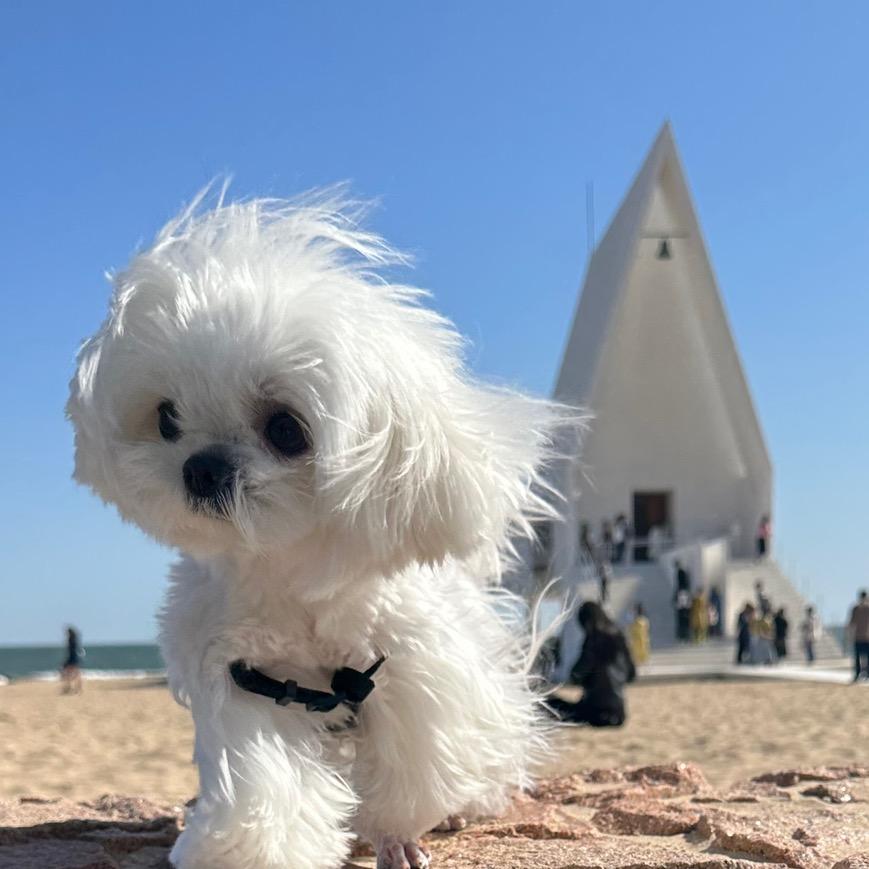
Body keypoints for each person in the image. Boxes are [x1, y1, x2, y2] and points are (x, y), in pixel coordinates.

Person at [546, 601, 636, 727]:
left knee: (549, 702)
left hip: (597, 712)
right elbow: (631, 674)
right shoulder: (620, 638)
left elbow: (577, 674)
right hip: (619, 714)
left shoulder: (593, 640)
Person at [847, 589, 869, 682]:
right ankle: (861, 674)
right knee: (861, 657)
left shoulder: (856, 608)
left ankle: (859, 674)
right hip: (862, 636)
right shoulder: (857, 608)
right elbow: (851, 623)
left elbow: (851, 623)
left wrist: (849, 635)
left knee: (859, 657)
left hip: (861, 636)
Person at [60, 626, 83, 694]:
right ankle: (74, 688)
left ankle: (70, 688)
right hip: (74, 658)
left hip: (72, 658)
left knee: (68, 673)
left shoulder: (71, 640)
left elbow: (71, 651)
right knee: (74, 674)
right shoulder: (74, 639)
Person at [673, 560, 691, 642]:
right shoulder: (680, 572)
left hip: (683, 601)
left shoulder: (680, 572)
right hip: (683, 602)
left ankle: (684, 635)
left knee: (683, 619)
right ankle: (683, 634)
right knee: (683, 619)